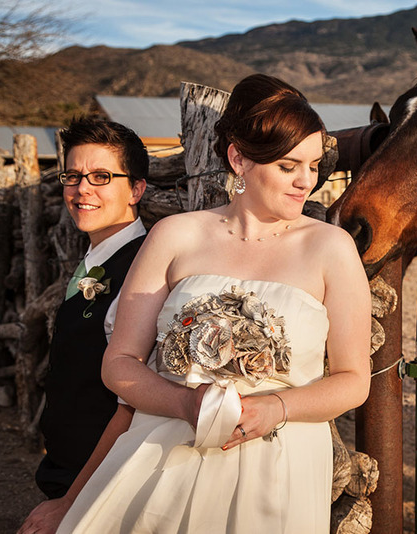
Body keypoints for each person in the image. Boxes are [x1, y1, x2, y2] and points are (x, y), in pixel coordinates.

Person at [54, 74, 371, 533]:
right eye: (288, 166)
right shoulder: (174, 235)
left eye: (314, 165)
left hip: (278, 467)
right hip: (164, 453)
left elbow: (353, 380)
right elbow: (119, 363)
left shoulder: (332, 249)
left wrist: (276, 408)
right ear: (239, 158)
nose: (307, 181)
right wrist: (184, 404)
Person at [18, 118, 148, 533]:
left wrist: (75, 500)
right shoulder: (97, 257)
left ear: (137, 189)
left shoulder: (142, 271)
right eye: (72, 176)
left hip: (106, 487)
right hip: (68, 471)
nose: (81, 189)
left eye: (101, 176)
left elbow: (136, 402)